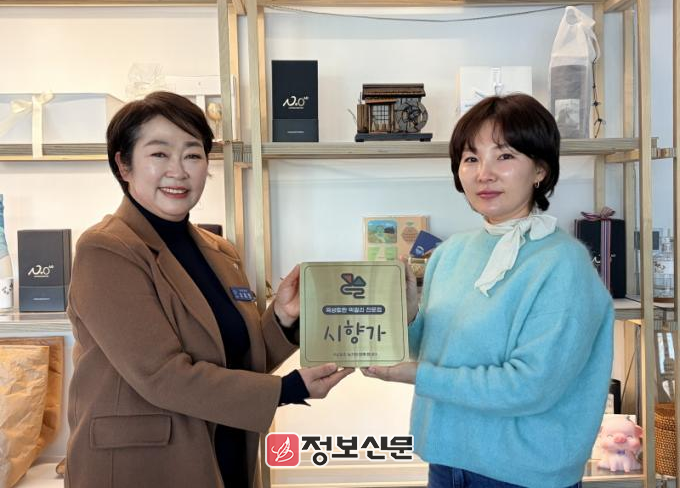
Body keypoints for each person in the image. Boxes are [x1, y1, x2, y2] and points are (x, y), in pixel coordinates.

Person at [65, 91, 353, 488]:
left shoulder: (219, 251)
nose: (179, 170)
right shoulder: (107, 249)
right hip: (145, 465)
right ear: (124, 164)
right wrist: (286, 390)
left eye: (192, 154)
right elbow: (160, 374)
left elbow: (238, 361)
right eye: (159, 154)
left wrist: (283, 319)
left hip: (224, 454)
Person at [363, 94, 614, 488]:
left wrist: (418, 376)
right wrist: (408, 315)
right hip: (446, 461)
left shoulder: (564, 263)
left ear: (540, 169)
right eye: (471, 158)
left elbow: (530, 386)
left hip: (524, 474)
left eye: (505, 156)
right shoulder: (451, 252)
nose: (484, 174)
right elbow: (433, 349)